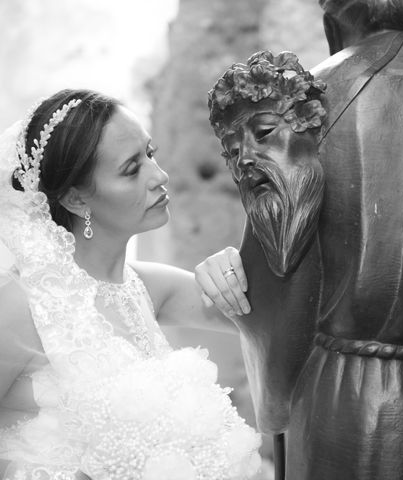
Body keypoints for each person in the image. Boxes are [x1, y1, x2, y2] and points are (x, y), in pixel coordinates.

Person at [199, 1, 403, 478]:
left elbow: (280, 283)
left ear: (331, 25)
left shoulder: (296, 106)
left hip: (343, 399)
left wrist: (275, 398)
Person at [0, 89, 261, 480]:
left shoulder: (152, 288)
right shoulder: (22, 305)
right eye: (131, 169)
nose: (160, 176)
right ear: (75, 199)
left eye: (150, 155)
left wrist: (231, 268)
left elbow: (274, 313)